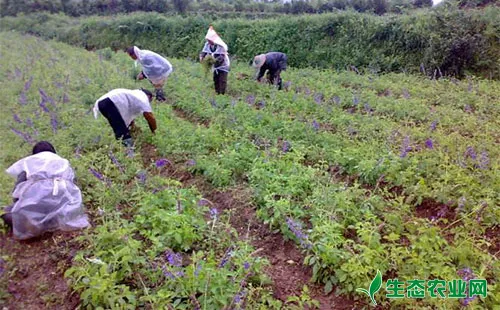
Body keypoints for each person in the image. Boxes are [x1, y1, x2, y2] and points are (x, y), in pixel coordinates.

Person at [1, 141, 90, 240]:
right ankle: (52, 222)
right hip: (62, 212)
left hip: (35, 212)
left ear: (34, 154)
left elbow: (16, 195)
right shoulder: (63, 162)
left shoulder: (29, 164)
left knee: (5, 212)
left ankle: (34, 226)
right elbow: (73, 185)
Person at [199, 26, 230, 95]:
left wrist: (214, 61)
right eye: (208, 40)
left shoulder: (220, 46)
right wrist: (201, 57)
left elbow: (221, 57)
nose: (208, 41)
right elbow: (203, 52)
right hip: (215, 66)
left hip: (223, 65)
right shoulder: (207, 44)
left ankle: (222, 94)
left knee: (222, 80)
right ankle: (217, 93)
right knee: (215, 79)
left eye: (210, 40)